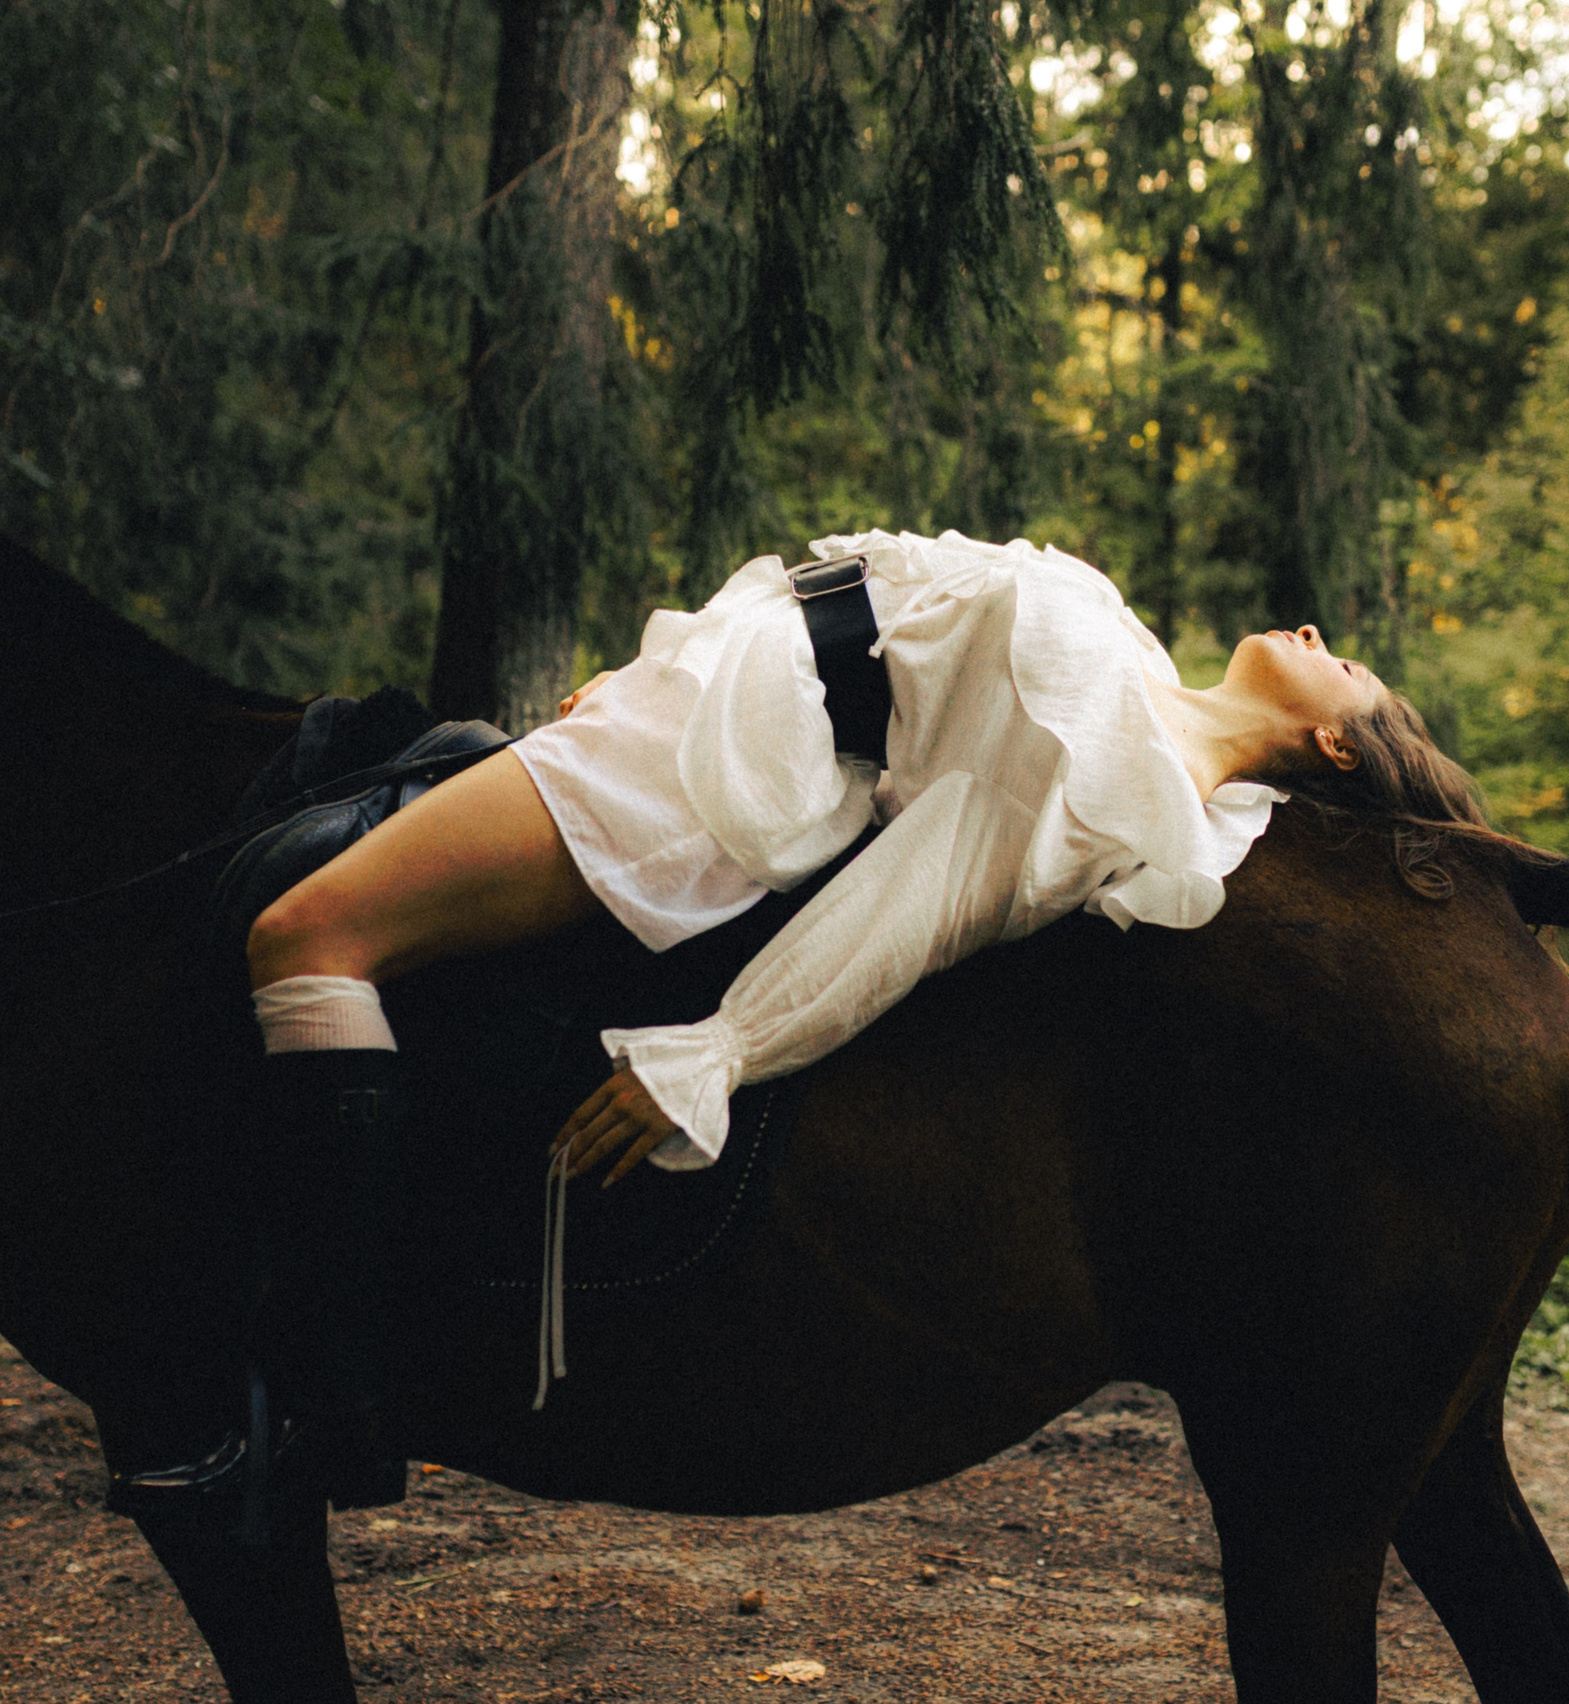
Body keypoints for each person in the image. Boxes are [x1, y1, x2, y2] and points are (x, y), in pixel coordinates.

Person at [233, 528, 1485, 1434]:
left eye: (1349, 669)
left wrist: (721, 1049)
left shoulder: (1124, 786)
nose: (1318, 636)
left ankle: (310, 1390)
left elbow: (916, 904)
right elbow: (871, 644)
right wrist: (669, 676)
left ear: (1332, 741)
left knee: (308, 938)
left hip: (703, 779)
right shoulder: (1131, 662)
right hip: (703, 717)